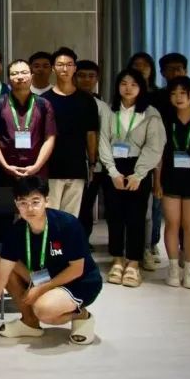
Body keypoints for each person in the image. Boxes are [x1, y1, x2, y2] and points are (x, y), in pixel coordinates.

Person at [0, 176, 100, 345]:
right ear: (16, 204)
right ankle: (29, 322)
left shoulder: (67, 224)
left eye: (35, 202)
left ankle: (81, 316)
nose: (29, 208)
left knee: (44, 309)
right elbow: (0, 277)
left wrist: (40, 289)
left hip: (79, 281)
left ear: (47, 201)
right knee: (3, 261)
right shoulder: (16, 231)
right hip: (45, 276)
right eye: (23, 203)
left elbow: (77, 269)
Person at [98, 69, 165, 288]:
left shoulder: (151, 113)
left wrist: (139, 174)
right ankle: (117, 259)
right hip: (114, 168)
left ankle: (134, 263)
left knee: (136, 217)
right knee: (115, 216)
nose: (128, 88)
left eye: (133, 84)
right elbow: (103, 141)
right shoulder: (110, 110)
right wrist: (113, 172)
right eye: (124, 83)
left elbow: (155, 146)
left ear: (141, 88)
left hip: (139, 167)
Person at [159, 76, 190, 290]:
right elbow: (159, 154)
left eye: (182, 93)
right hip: (170, 177)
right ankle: (172, 268)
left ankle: (188, 269)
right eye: (173, 93)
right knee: (172, 223)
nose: (178, 97)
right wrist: (157, 182)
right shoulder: (165, 120)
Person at [42, 48, 99, 216]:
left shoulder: (87, 100)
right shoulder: (44, 100)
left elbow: (91, 133)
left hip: (77, 167)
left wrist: (92, 162)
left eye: (69, 64)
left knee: (71, 218)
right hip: (51, 168)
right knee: (50, 215)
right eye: (60, 64)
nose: (65, 68)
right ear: (53, 68)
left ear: (75, 68)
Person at [0, 59, 57, 186]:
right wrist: (6, 166)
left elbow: (50, 139)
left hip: (37, 172)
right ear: (8, 79)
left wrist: (36, 166)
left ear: (31, 76)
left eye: (24, 72)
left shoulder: (43, 104)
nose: (19, 77)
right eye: (14, 73)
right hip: (5, 173)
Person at [74, 60, 112, 242]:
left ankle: (84, 240)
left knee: (86, 205)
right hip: (72, 162)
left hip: (95, 164)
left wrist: (95, 161)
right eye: (81, 76)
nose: (86, 80)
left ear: (97, 79)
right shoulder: (69, 100)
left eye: (91, 76)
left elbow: (105, 136)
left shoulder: (102, 106)